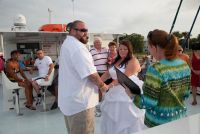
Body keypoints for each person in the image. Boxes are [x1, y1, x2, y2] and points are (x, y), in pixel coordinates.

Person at [58, 20, 108, 134]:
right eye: (83, 30)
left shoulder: (67, 44)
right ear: (72, 31)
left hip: (70, 103)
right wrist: (102, 86)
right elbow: (91, 75)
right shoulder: (78, 48)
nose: (86, 33)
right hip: (81, 105)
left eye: (86, 30)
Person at [134, 29, 191, 128]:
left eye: (149, 46)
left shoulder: (156, 69)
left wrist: (132, 95)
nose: (148, 49)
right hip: (180, 120)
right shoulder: (183, 65)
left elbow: (148, 103)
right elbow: (186, 94)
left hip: (158, 124)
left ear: (154, 47)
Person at [100, 40, 145, 134]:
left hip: (128, 91)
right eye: (120, 49)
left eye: (125, 49)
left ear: (129, 50)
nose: (122, 51)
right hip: (115, 91)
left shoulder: (133, 60)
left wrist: (108, 86)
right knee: (113, 118)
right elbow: (108, 74)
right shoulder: (117, 59)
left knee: (126, 118)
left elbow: (123, 78)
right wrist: (98, 82)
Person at [89, 37, 108, 116]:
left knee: (106, 90)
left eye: (99, 42)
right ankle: (98, 109)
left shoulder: (105, 50)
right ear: (93, 43)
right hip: (96, 73)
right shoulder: (91, 51)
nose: (98, 43)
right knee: (98, 91)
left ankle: (104, 107)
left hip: (106, 73)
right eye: (96, 42)